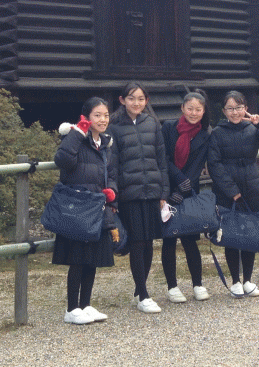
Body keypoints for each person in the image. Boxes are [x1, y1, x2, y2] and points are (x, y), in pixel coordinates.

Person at [207, 90, 259, 298]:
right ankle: (235, 281)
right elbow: (214, 165)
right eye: (230, 108)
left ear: (246, 109)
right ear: (224, 111)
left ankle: (248, 280)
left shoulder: (252, 129)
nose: (235, 112)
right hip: (228, 190)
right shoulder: (217, 133)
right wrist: (232, 191)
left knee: (251, 233)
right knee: (231, 235)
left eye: (239, 107)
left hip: (252, 185)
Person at [52, 97, 118, 325]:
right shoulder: (76, 137)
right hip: (78, 206)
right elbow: (62, 160)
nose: (103, 119)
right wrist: (78, 133)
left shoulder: (106, 144)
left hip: (98, 205)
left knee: (92, 258)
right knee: (78, 259)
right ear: (86, 118)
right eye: (97, 115)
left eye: (106, 115)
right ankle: (72, 308)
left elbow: (112, 173)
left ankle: (86, 304)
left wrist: (112, 192)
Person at [107, 82, 170, 313]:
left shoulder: (152, 123)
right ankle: (143, 294)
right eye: (132, 98)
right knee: (137, 242)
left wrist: (163, 191)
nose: (136, 103)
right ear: (122, 100)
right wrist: (114, 197)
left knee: (149, 241)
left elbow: (161, 160)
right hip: (129, 193)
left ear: (146, 101)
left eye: (141, 99)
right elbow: (112, 165)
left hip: (151, 191)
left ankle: (139, 290)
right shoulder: (114, 127)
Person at [160, 90, 211, 303]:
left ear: (203, 111)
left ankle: (197, 284)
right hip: (167, 187)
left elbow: (198, 165)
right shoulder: (168, 127)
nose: (193, 113)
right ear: (182, 108)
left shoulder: (205, 134)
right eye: (190, 108)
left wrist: (183, 189)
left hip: (189, 190)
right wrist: (176, 184)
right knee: (169, 238)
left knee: (190, 238)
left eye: (198, 109)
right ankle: (172, 286)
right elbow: (163, 158)